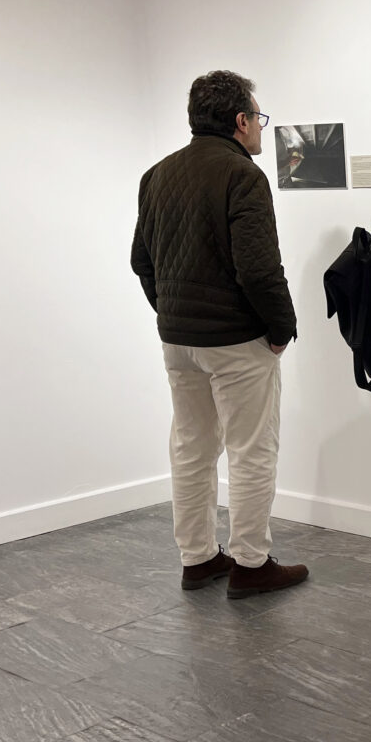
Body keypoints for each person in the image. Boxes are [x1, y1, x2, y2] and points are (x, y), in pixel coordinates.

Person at [131, 70, 308, 599]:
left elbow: (141, 262)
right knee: (251, 450)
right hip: (235, 341)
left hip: (178, 340)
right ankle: (251, 564)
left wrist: (170, 312)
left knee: (191, 446)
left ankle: (199, 559)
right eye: (258, 118)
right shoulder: (242, 175)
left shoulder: (157, 174)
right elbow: (258, 268)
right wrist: (282, 328)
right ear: (240, 120)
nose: (259, 129)